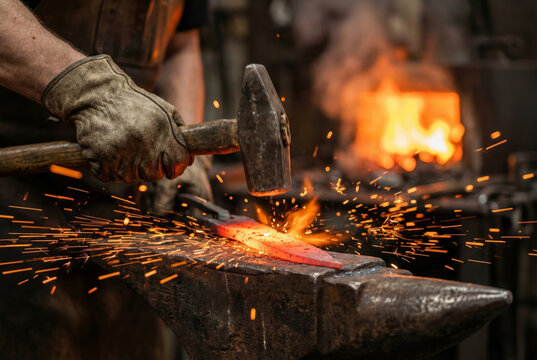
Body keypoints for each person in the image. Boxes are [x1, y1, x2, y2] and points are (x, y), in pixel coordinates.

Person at [0, 0, 211, 358]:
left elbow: (180, 46)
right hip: (11, 183)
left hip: (124, 208)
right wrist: (90, 90)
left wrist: (182, 148)